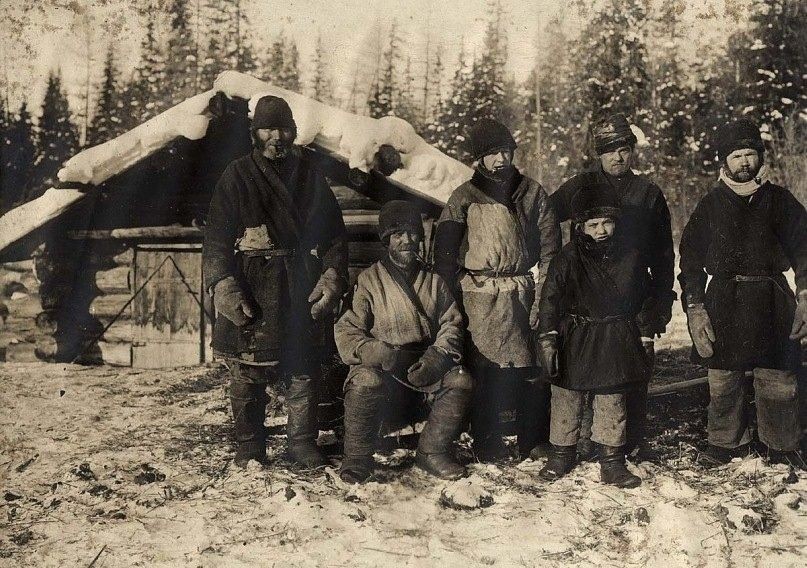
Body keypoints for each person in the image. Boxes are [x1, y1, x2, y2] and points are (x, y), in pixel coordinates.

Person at [203, 95, 348, 468]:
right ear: (255, 133)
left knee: (303, 367)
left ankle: (301, 443)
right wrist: (223, 284)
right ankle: (250, 443)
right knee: (249, 369)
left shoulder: (309, 177)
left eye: (284, 128)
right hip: (253, 283)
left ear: (294, 132)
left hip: (300, 282)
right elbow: (217, 237)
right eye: (268, 128)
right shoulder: (236, 176)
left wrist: (332, 275)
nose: (277, 137)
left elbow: (333, 235)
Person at [679, 118, 807, 469]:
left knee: (778, 377)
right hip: (725, 298)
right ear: (725, 162)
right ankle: (725, 443)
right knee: (723, 379)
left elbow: (804, 248)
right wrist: (695, 306)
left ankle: (781, 445)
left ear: (761, 158)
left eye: (751, 154)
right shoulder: (711, 204)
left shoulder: (780, 201)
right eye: (737, 156)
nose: (745, 162)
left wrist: (805, 296)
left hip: (772, 297)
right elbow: (689, 257)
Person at [549, 113, 676, 460]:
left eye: (623, 149)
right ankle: (588, 441)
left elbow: (664, 255)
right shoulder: (581, 186)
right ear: (598, 154)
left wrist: (661, 303)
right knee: (584, 369)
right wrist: (550, 258)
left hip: (634, 294)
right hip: (588, 293)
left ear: (632, 151)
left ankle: (628, 440)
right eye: (609, 150)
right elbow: (545, 216)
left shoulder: (648, 193)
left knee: (632, 370)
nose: (617, 157)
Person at [434, 118, 561, 461]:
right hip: (478, 296)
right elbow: (444, 256)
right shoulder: (463, 197)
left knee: (529, 372)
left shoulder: (532, 193)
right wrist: (452, 304)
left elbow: (551, 251)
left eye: (505, 151)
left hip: (521, 291)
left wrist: (543, 299)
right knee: (485, 372)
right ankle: (486, 441)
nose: (500, 160)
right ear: (478, 159)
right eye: (491, 154)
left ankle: (532, 440)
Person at [334, 200, 473, 483]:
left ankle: (432, 453)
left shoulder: (434, 281)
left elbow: (452, 323)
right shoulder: (369, 280)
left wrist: (438, 356)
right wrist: (372, 350)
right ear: (386, 241)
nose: (406, 241)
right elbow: (348, 330)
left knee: (461, 380)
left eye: (412, 234)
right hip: (384, 365)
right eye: (398, 235)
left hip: (423, 363)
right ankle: (357, 459)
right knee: (364, 381)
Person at [536, 185, 649, 488]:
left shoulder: (631, 255)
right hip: (576, 334)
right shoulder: (568, 256)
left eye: (607, 223)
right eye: (593, 225)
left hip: (615, 334)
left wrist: (646, 335)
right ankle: (561, 453)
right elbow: (550, 297)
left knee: (612, 398)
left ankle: (612, 461)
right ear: (580, 226)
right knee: (566, 395)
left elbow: (644, 298)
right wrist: (547, 337)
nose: (601, 231)